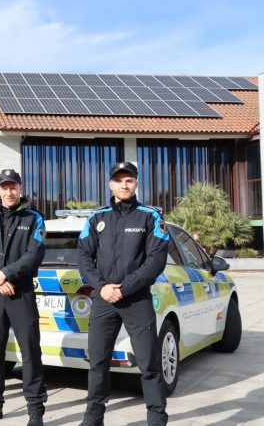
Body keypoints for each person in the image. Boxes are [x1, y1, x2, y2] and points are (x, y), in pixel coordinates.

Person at [77, 162, 170, 426]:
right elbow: (83, 256)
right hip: (104, 298)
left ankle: (156, 418)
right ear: (110, 184)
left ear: (136, 184)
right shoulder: (97, 217)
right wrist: (102, 287)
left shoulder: (150, 216)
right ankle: (93, 417)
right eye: (119, 180)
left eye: (129, 180)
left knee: (149, 363)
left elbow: (155, 260)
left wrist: (126, 287)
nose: (124, 185)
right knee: (97, 361)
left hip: (137, 298)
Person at [0, 169, 47, 426]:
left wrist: (5, 274)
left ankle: (35, 409)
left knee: (30, 352)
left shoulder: (33, 218)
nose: (9, 191)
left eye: (13, 186)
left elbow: (34, 254)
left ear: (21, 188)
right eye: (4, 186)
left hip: (21, 293)